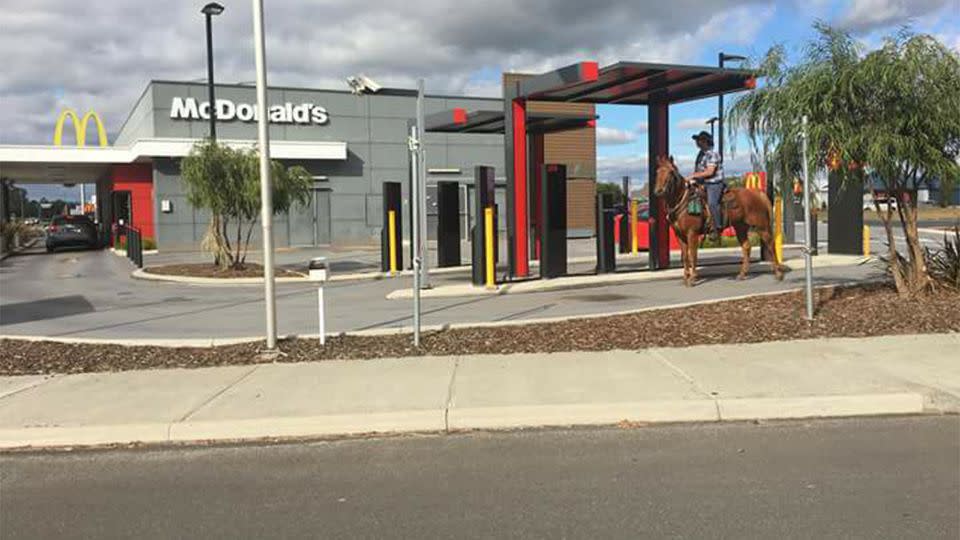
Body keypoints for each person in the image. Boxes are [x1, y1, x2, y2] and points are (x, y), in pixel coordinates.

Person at [685, 130, 725, 238]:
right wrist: (693, 180)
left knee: (712, 203)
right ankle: (696, 224)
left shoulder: (713, 154)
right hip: (702, 182)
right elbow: (698, 170)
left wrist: (694, 176)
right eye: (697, 140)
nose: (697, 142)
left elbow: (710, 172)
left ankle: (717, 227)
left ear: (705, 141)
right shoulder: (700, 154)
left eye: (699, 140)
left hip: (714, 183)